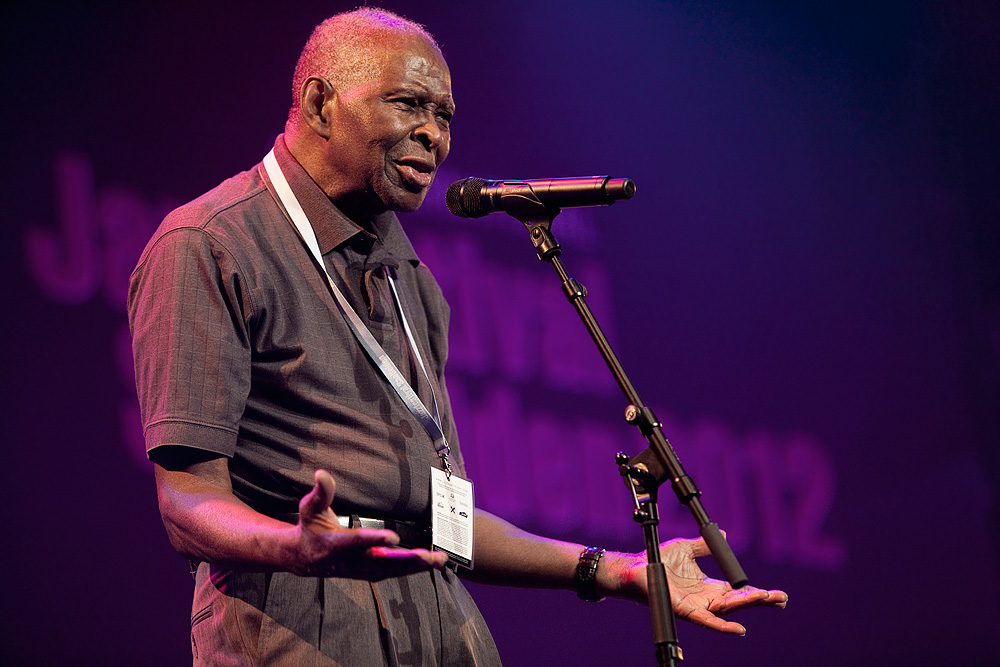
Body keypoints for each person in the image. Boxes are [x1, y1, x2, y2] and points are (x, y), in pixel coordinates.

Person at [128, 7, 787, 666]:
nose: (432, 134)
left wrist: (612, 568)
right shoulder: (209, 244)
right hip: (298, 624)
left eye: (443, 115)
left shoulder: (410, 278)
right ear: (320, 102)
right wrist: (292, 547)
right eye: (407, 104)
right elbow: (187, 498)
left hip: (444, 629)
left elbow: (446, 517)